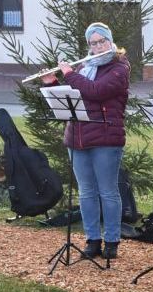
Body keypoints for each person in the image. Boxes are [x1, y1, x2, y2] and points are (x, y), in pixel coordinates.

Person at [42, 22, 129, 260]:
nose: (99, 46)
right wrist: (53, 83)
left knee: (108, 192)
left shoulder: (119, 68)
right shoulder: (85, 67)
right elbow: (73, 97)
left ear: (110, 41)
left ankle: (111, 241)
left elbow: (95, 91)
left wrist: (69, 73)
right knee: (86, 192)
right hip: (77, 138)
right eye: (94, 42)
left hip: (106, 137)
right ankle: (92, 240)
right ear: (88, 45)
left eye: (102, 41)